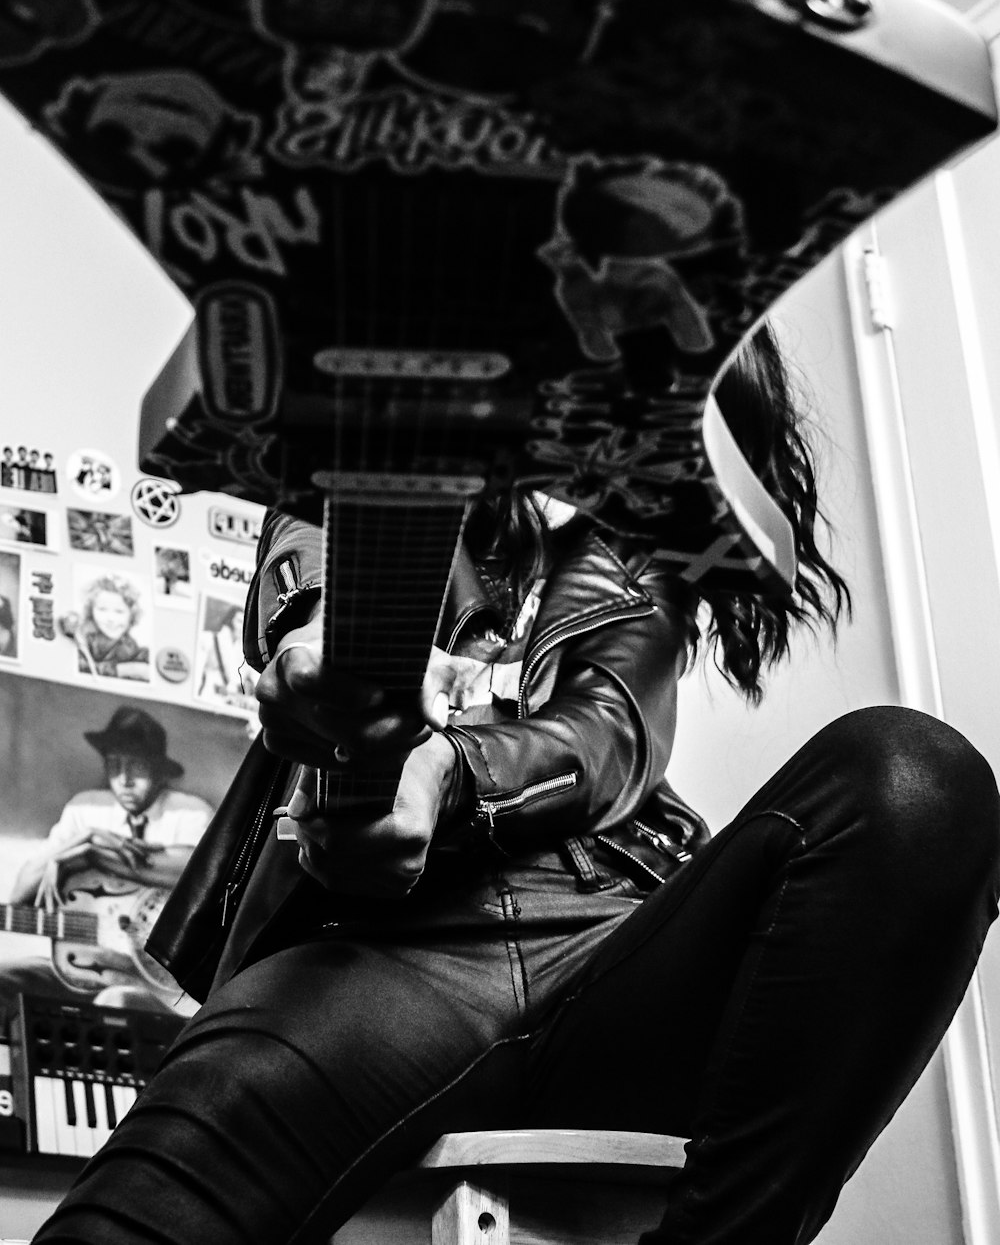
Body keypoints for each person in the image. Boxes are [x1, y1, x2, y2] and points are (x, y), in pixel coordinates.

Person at [33, 328, 1000, 1244]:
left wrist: (455, 771)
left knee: (915, 778)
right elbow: (317, 564)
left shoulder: (646, 550)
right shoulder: (367, 450)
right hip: (375, 956)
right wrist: (325, 660)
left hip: (613, 939)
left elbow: (604, 731)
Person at [0, 707, 212, 1017]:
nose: (123, 779)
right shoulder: (85, 809)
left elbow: (201, 877)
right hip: (88, 967)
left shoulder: (190, 813)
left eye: (136, 766)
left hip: (160, 984)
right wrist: (81, 841)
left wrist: (102, 853)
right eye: (114, 765)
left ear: (158, 768)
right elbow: (20, 898)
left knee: (116, 1003)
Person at [60, 573, 149, 679]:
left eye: (119, 612)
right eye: (102, 609)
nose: (110, 619)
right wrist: (120, 670)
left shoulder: (129, 644)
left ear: (132, 615)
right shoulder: (82, 635)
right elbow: (75, 666)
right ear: (91, 610)